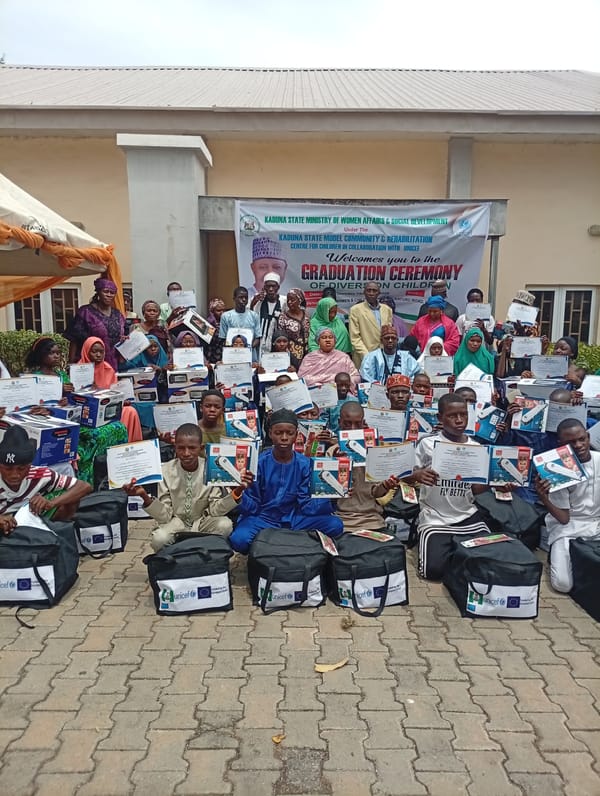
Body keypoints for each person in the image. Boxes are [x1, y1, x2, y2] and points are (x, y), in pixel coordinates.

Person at [228, 409, 343, 554]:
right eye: (278, 433)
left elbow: (307, 506)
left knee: (335, 524)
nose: (284, 437)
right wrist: (238, 492)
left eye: (289, 433)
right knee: (239, 539)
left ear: (296, 435)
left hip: (295, 518)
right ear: (270, 434)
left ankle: (277, 541)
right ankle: (287, 541)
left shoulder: (305, 464)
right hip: (264, 518)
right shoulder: (258, 463)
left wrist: (333, 496)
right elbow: (252, 506)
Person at [123, 423, 251, 552]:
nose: (186, 453)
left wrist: (237, 491)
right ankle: (173, 561)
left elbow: (215, 510)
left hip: (202, 522)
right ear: (175, 447)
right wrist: (144, 496)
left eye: (192, 448)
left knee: (225, 525)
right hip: (175, 523)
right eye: (181, 448)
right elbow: (165, 516)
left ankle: (204, 557)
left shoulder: (210, 469)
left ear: (201, 448)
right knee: (159, 539)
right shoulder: (166, 471)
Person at [407, 394, 490, 577]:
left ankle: (457, 556)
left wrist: (493, 482)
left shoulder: (477, 448)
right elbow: (406, 476)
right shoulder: (428, 444)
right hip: (435, 517)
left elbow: (477, 490)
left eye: (463, 415)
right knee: (433, 571)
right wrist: (418, 475)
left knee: (485, 564)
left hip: (467, 516)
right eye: (452, 415)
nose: (459, 420)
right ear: (439, 418)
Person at [535, 419, 600, 593]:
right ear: (560, 445)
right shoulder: (555, 469)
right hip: (569, 528)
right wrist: (544, 496)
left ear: (588, 437)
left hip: (597, 523)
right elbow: (564, 519)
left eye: (581, 439)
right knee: (562, 585)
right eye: (571, 442)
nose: (578, 445)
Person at [0, 425, 92, 534]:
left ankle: (59, 536)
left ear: (30, 466)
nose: (14, 475)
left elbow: (85, 486)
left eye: (21, 468)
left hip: (28, 519)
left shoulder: (40, 474)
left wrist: (50, 503)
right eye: (8, 469)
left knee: (71, 498)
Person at [331, 401, 401, 532]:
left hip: (372, 520)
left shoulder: (374, 452)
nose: (352, 429)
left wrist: (386, 485)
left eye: (357, 424)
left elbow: (376, 493)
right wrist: (335, 462)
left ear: (363, 424)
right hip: (340, 519)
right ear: (339, 422)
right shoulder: (332, 452)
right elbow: (326, 495)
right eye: (347, 424)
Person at [78, 337, 143, 443]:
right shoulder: (79, 370)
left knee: (130, 411)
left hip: (109, 408)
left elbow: (115, 392)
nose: (98, 355)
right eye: (94, 352)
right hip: (89, 411)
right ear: (86, 351)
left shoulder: (108, 369)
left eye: (101, 352)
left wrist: (122, 401)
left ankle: (129, 447)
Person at [64, 277, 126, 371]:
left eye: (112, 292)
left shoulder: (118, 315)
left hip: (113, 365)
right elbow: (74, 339)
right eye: (106, 291)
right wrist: (71, 364)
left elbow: (123, 337)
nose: (109, 295)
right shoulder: (85, 312)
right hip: (90, 364)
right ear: (98, 292)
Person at [348, 282, 393, 367]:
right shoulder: (355, 310)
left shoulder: (387, 309)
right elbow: (355, 338)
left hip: (384, 355)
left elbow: (388, 333)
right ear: (364, 292)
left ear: (379, 293)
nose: (371, 293)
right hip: (364, 355)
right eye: (369, 290)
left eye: (374, 291)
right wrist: (367, 356)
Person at [251, 272, 286, 358]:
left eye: (273, 286)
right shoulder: (258, 299)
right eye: (268, 286)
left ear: (278, 287)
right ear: (264, 287)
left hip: (277, 341)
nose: (270, 289)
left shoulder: (284, 301)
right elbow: (250, 316)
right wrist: (253, 303)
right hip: (260, 340)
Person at [219, 287, 261, 357]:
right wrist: (234, 349)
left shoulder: (254, 316)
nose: (244, 300)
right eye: (241, 297)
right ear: (234, 298)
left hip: (250, 356)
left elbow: (258, 338)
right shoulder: (226, 316)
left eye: (246, 297)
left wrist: (247, 349)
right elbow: (223, 338)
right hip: (232, 355)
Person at [277, 288, 310, 362]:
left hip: (308, 352)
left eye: (292, 300)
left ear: (300, 300)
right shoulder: (283, 317)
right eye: (288, 300)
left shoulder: (306, 314)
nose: (289, 302)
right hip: (292, 354)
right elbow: (281, 337)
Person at [204, 297, 226, 365]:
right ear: (212, 311)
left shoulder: (226, 322)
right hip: (211, 356)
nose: (222, 313)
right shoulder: (208, 324)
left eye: (223, 310)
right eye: (219, 310)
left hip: (224, 356)